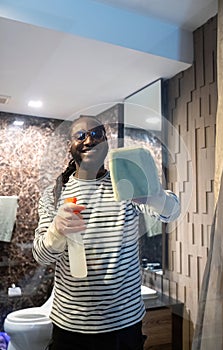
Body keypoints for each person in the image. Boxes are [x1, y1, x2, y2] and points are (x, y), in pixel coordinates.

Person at [32, 115, 180, 350]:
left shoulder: (125, 184)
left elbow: (171, 213)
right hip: (70, 327)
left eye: (96, 134)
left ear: (106, 143)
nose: (88, 140)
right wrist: (56, 232)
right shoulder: (54, 194)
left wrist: (154, 196)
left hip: (123, 325)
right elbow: (41, 256)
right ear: (70, 146)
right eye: (80, 136)